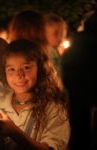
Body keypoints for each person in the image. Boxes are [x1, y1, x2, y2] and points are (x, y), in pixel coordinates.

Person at [0, 39, 70, 150]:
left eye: (26, 67)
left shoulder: (54, 108)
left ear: (40, 68)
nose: (19, 75)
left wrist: (14, 132)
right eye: (11, 69)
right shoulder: (0, 105)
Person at [61, 10, 97, 150]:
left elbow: (67, 69)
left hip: (77, 95)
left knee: (80, 131)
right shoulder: (89, 42)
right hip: (88, 93)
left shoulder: (78, 41)